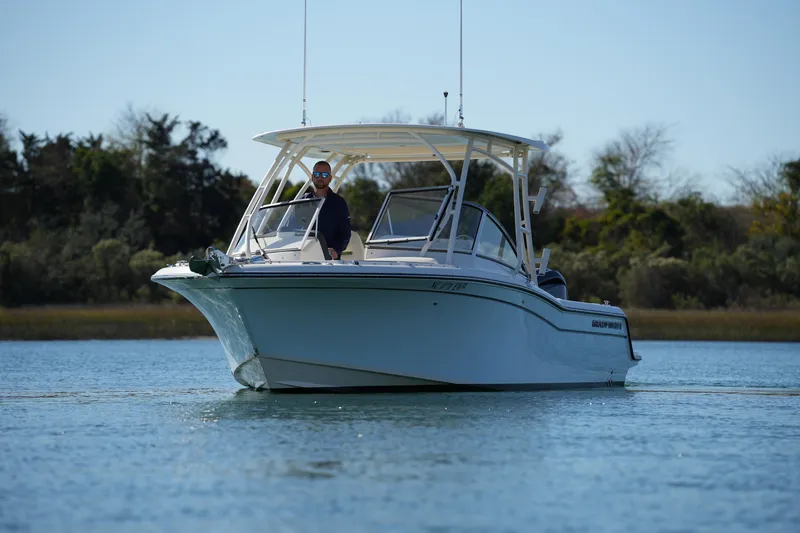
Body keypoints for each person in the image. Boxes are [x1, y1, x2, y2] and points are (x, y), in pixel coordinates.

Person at [303, 161, 351, 259]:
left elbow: (345, 234)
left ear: (330, 178)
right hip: (303, 256)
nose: (320, 178)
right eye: (317, 174)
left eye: (324, 175)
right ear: (312, 177)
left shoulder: (339, 203)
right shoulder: (301, 202)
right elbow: (289, 228)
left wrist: (335, 250)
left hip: (329, 261)